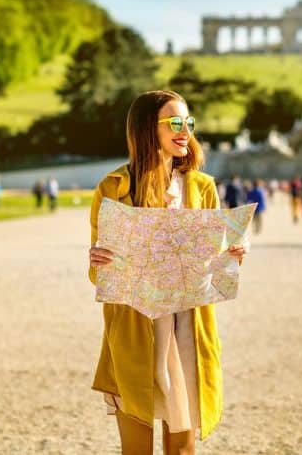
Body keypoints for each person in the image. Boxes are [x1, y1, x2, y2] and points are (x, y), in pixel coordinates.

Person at [87, 90, 248, 454]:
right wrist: (98, 260)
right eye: (175, 122)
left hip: (187, 326)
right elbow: (99, 277)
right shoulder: (114, 188)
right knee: (136, 448)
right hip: (133, 325)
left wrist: (231, 254)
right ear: (148, 129)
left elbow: (212, 263)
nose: (185, 131)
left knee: (182, 449)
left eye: (189, 123)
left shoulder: (201, 187)